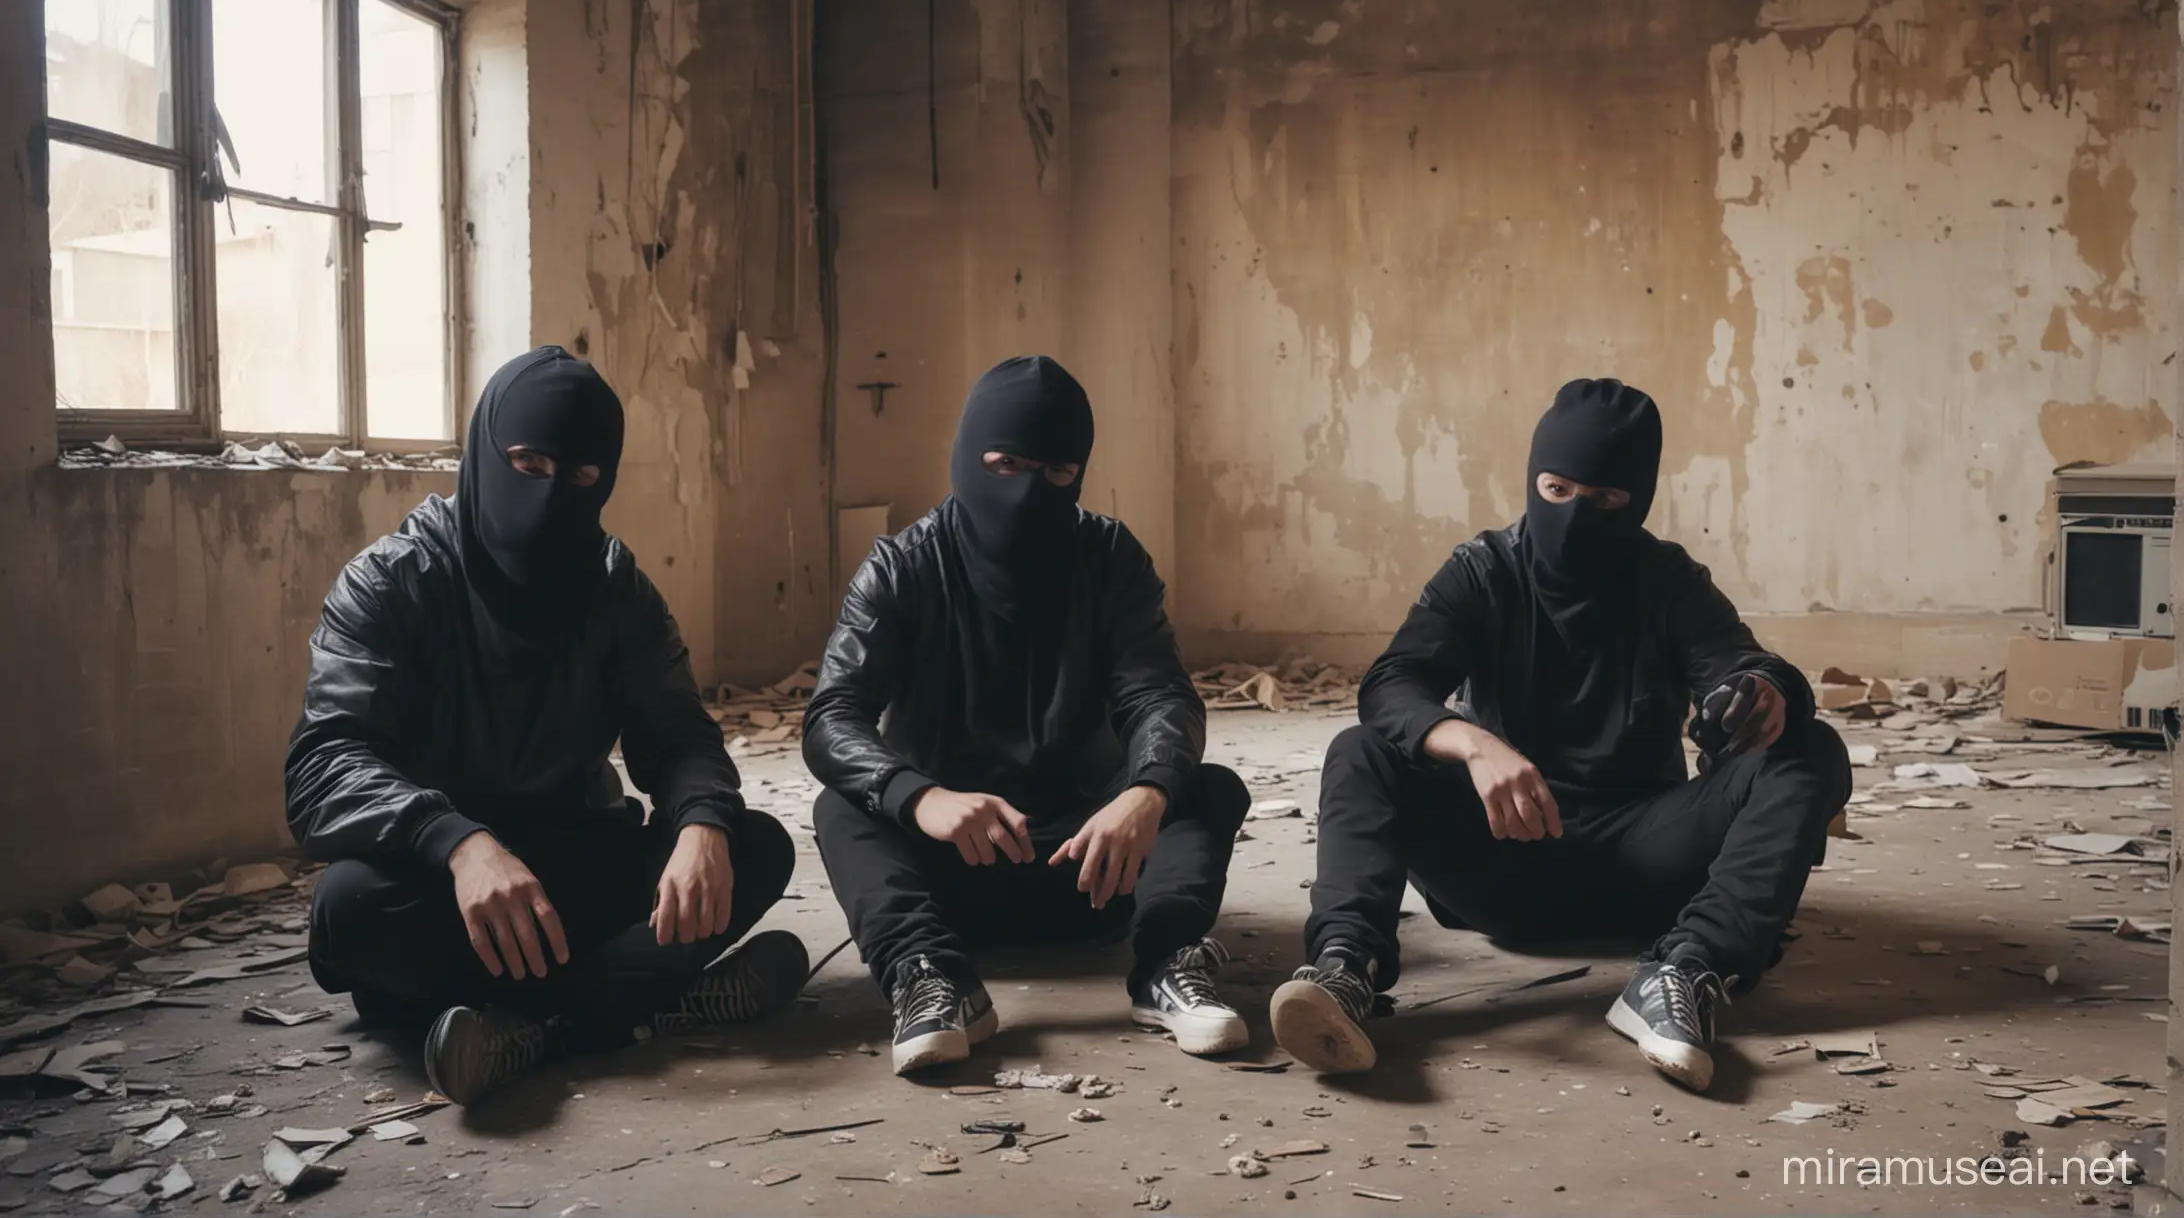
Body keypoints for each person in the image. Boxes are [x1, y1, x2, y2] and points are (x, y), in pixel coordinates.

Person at [1272, 378, 1851, 1092]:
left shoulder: (1667, 580)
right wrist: (1474, 744)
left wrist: (1765, 694)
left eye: (1605, 501)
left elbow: (1743, 663)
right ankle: (1344, 971)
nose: (1577, 515)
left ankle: (1687, 970)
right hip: (1503, 852)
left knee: (1811, 750)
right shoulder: (1481, 571)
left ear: (1636, 499)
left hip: (1649, 858)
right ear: (1531, 480)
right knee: (1359, 753)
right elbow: (1391, 685)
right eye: (1555, 490)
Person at [286, 347, 806, 1106]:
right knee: (348, 911)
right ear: (487, 450)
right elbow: (322, 764)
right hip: (441, 884)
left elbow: (677, 731)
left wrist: (701, 822)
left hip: (571, 862)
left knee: (752, 846)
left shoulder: (614, 587)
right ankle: (641, 998)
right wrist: (457, 842)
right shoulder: (393, 580)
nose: (550, 494)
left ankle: (531, 1031)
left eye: (581, 477)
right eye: (528, 465)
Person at [804, 355, 1253, 1076]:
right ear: (967, 457)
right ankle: (930, 977)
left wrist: (1145, 794)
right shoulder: (901, 568)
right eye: (1005, 464)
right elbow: (834, 716)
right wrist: (921, 798)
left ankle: (1166, 963)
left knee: (1206, 787)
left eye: (1055, 474)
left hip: (1093, 864)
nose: (1026, 493)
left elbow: (1159, 695)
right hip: (951, 866)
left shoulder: (1110, 559)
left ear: (1079, 471)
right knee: (842, 807)